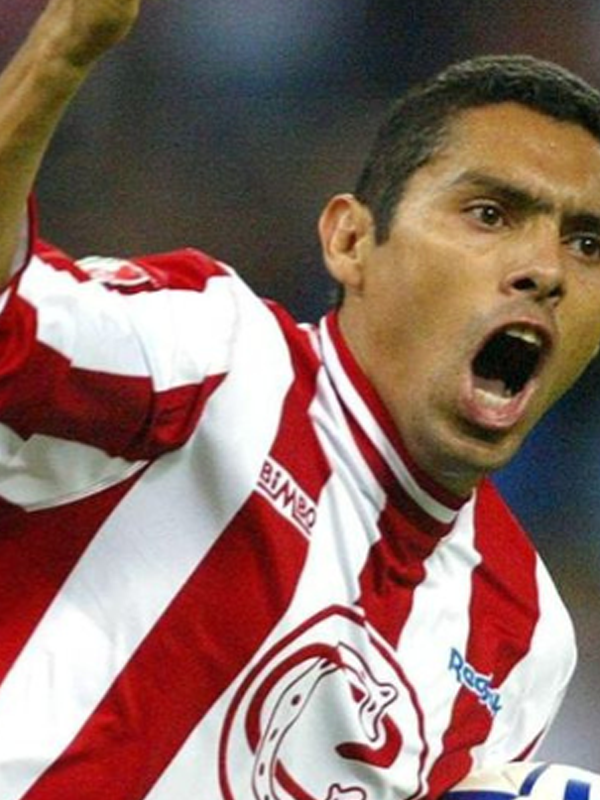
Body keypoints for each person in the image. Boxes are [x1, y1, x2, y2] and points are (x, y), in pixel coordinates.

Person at [1, 1, 600, 798]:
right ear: (351, 241)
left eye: (587, 243)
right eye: (490, 214)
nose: (547, 270)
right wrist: (61, 54)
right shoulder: (214, 354)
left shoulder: (528, 640)